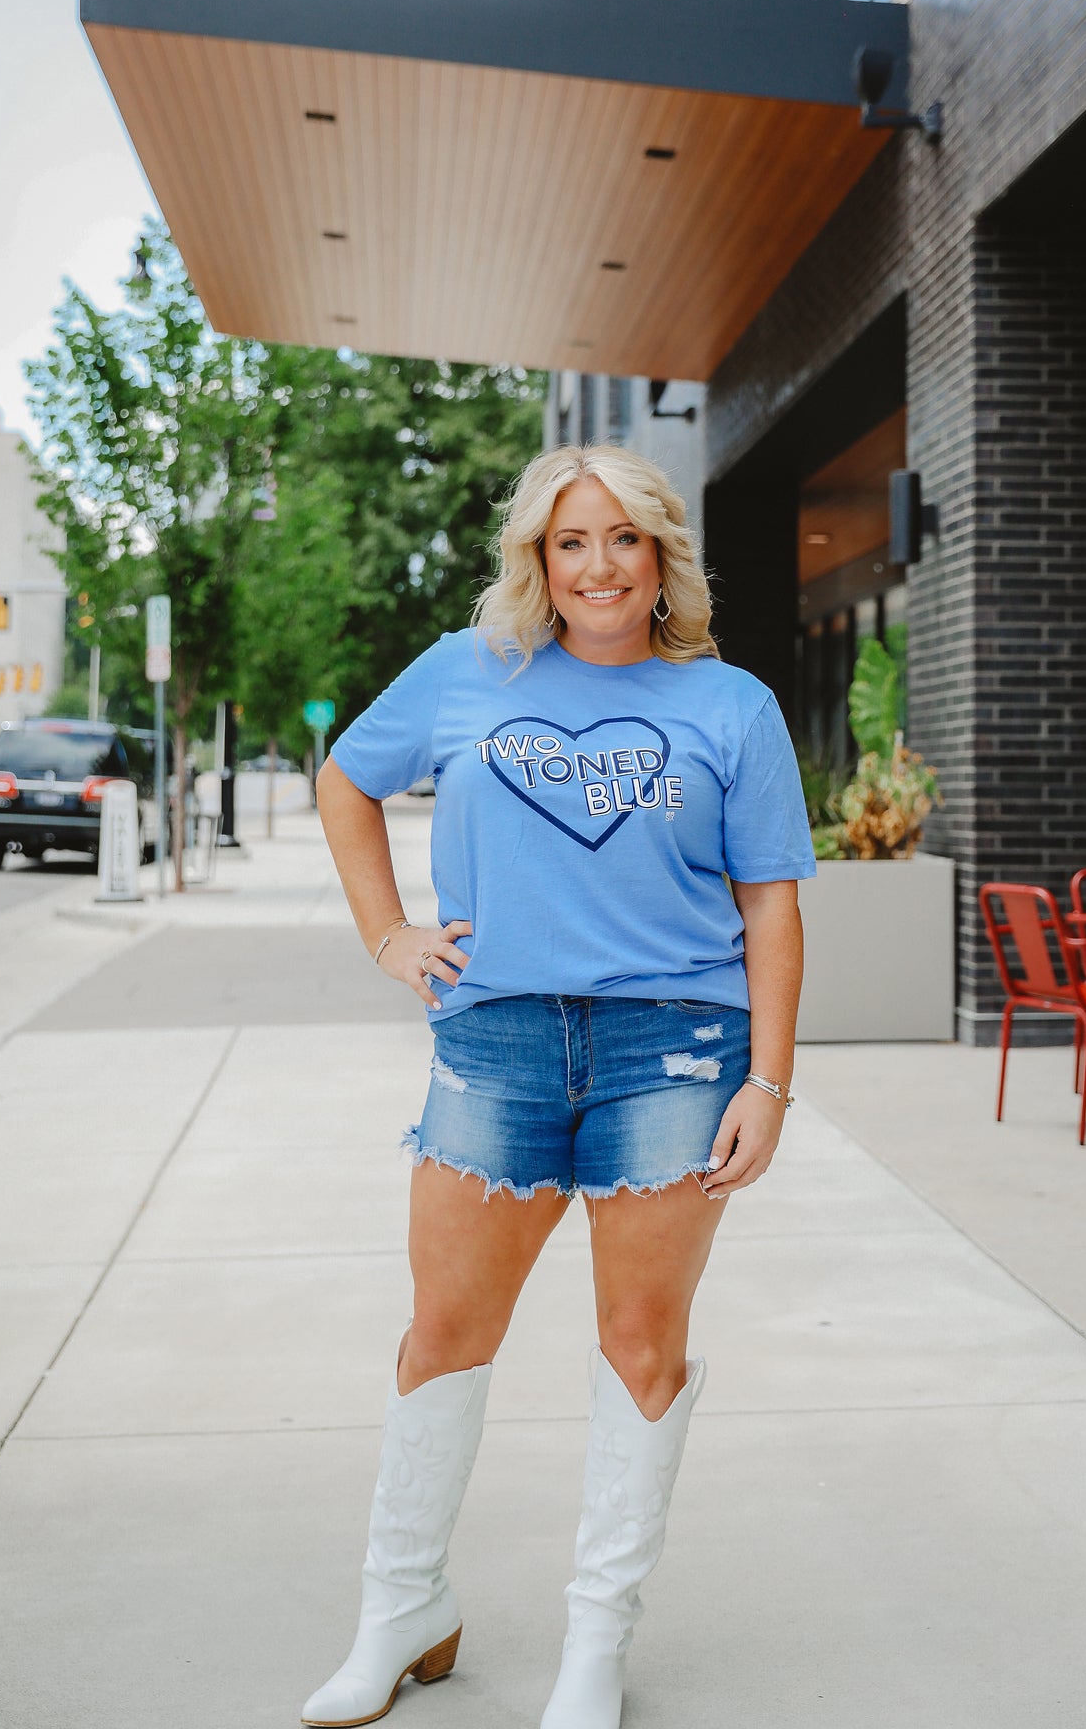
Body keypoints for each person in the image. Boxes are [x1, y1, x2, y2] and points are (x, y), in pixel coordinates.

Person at [303, 443, 813, 1729]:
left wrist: (770, 1078)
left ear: (661, 560)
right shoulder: (469, 674)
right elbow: (346, 780)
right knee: (442, 1334)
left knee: (642, 1344)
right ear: (540, 558)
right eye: (571, 541)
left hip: (675, 1049)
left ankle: (596, 1643)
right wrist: (389, 934)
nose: (599, 565)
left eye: (624, 540)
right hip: (498, 1037)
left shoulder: (732, 705)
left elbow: (772, 905)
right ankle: (401, 1605)